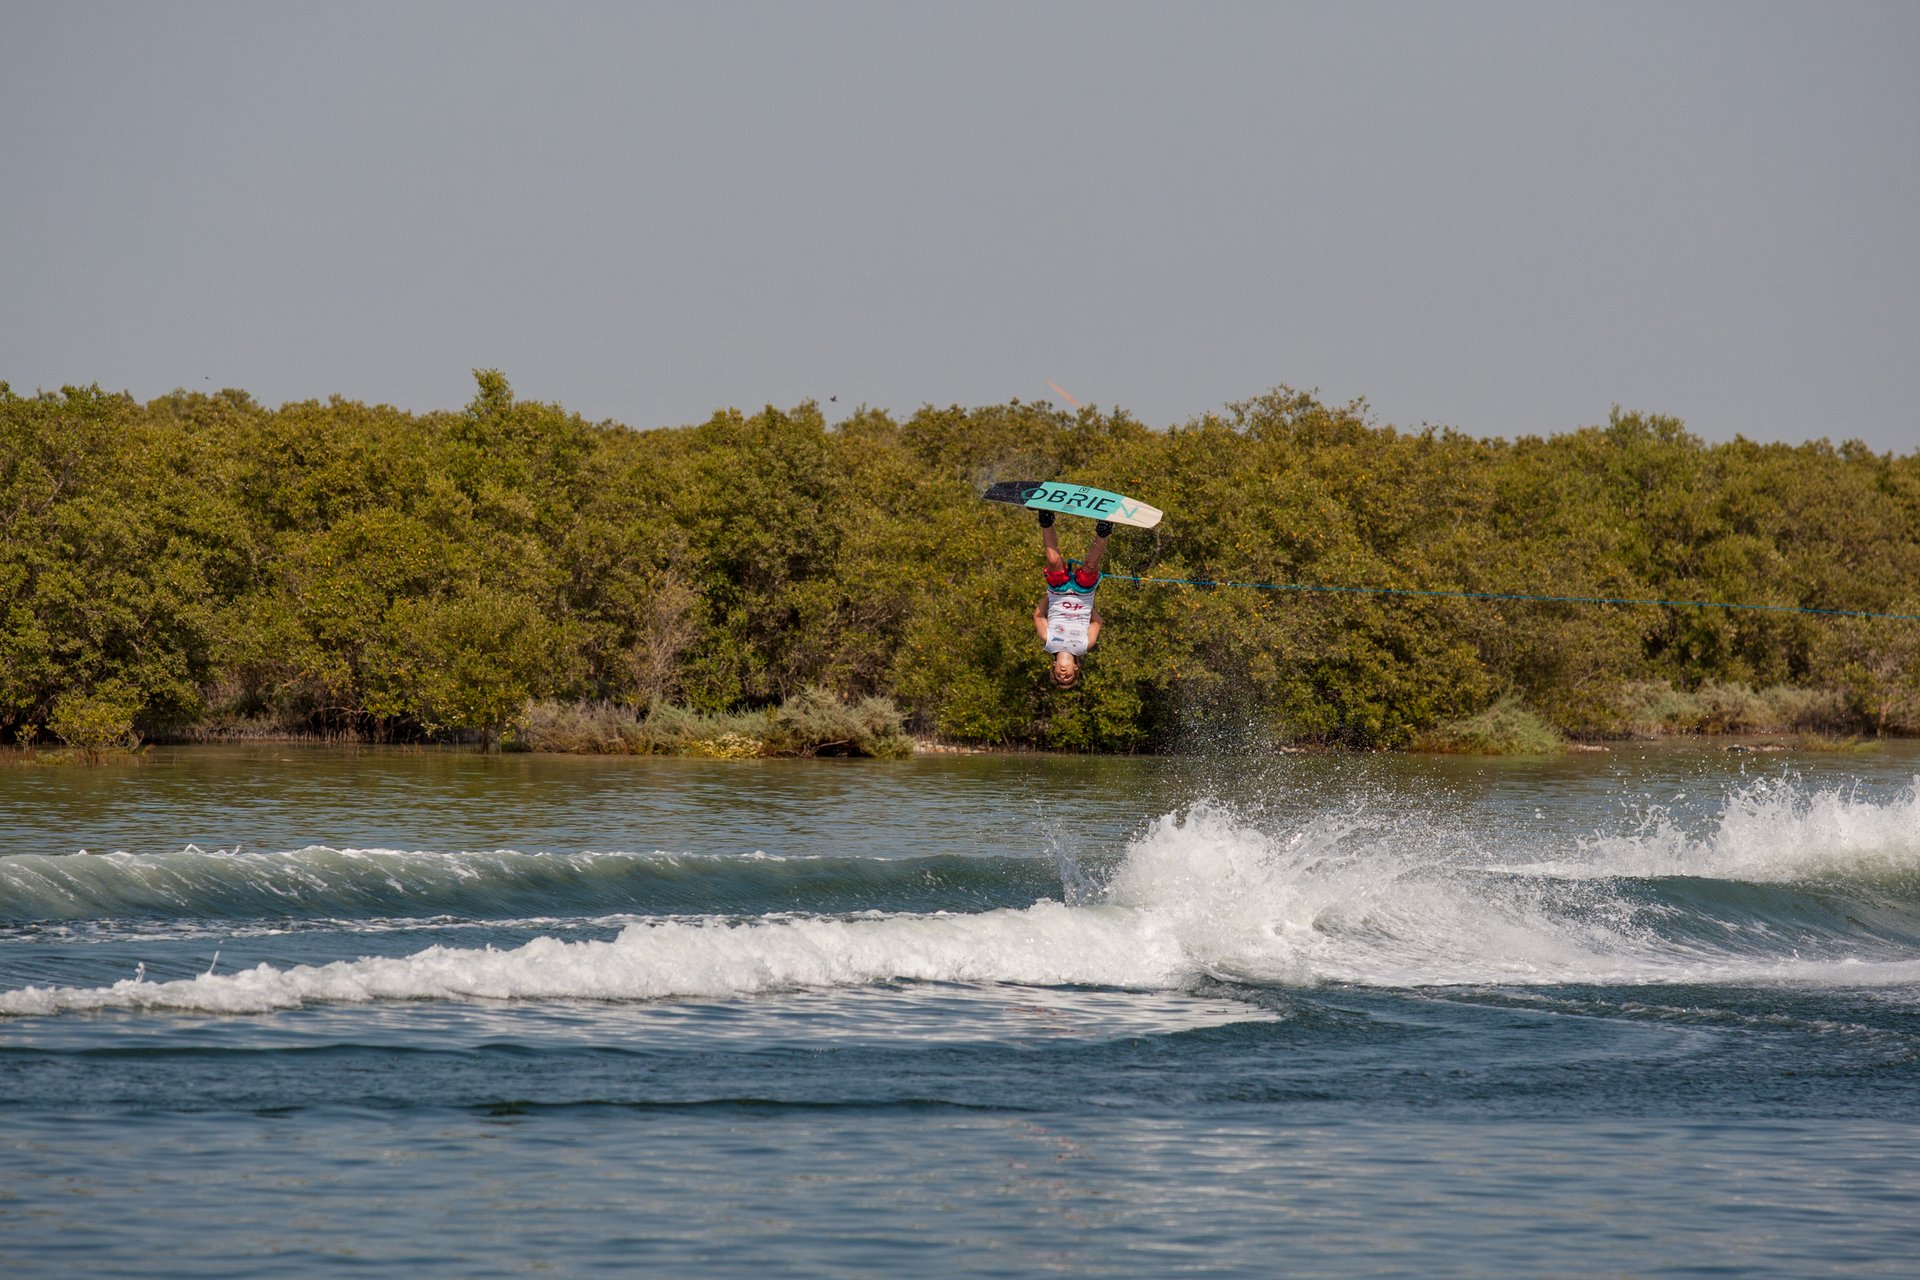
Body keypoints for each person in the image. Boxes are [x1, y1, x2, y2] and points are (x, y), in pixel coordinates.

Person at [1033, 510, 1112, 687]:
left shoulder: (1048, 640)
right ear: (1075, 668)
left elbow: (1038, 616)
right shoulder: (1085, 645)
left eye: (1059, 677)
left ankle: (1046, 518)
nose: (1063, 675)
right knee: (1090, 565)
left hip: (1057, 592)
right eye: (1067, 677)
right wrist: (1086, 605)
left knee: (1053, 560)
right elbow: (1097, 622)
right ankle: (1104, 529)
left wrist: (1048, 595)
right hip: (1083, 594)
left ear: (1053, 666)